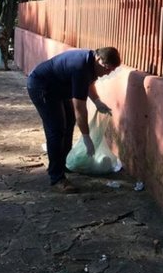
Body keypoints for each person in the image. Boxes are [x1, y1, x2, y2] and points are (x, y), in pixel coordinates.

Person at [26, 47, 121, 193]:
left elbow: (88, 83)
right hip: (42, 87)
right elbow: (80, 109)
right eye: (107, 68)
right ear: (99, 59)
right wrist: (86, 137)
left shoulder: (91, 64)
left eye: (112, 70)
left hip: (59, 88)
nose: (108, 73)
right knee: (56, 129)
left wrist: (97, 101)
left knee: (69, 121)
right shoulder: (80, 67)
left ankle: (62, 164)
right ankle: (56, 177)